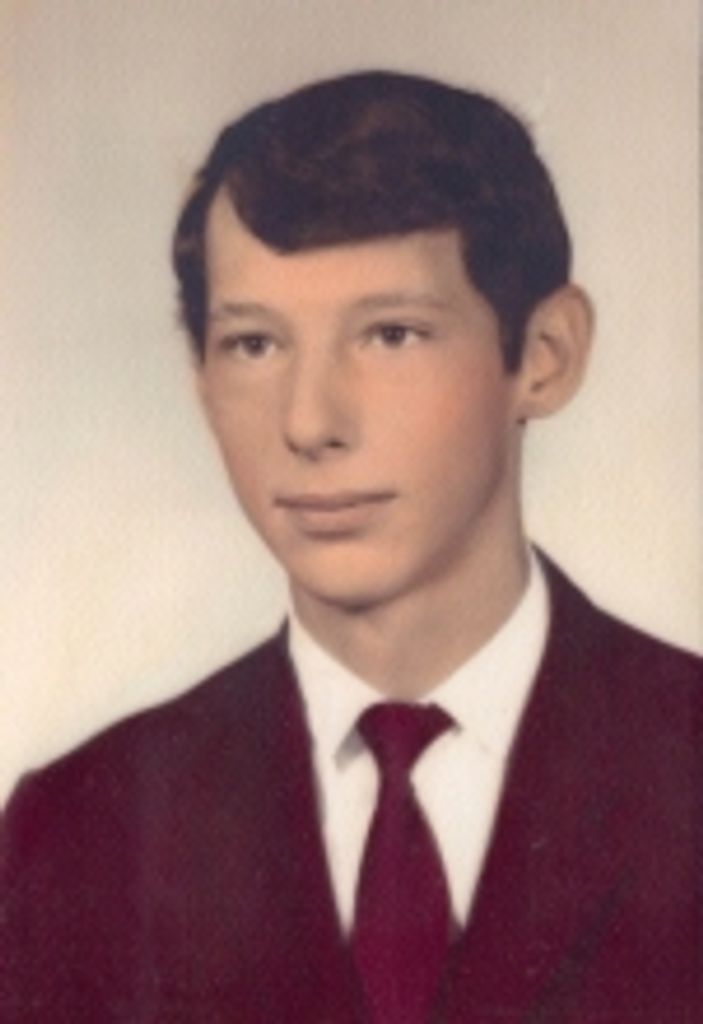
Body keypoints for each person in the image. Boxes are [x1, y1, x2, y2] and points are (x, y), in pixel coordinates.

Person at [1, 70, 700, 1023]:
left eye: (391, 334)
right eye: (253, 345)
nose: (309, 423)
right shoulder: (79, 829)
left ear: (544, 356)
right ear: (200, 378)